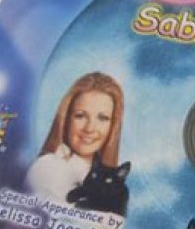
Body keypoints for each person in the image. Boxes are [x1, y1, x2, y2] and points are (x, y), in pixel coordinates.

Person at [26, 72, 124, 203]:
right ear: (66, 120)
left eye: (102, 118)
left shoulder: (103, 179)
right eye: (80, 116)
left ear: (113, 126)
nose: (90, 128)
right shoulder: (48, 168)